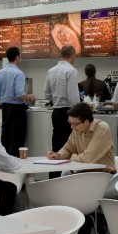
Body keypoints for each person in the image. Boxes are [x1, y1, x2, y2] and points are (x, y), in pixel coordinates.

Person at [47, 102, 116, 234]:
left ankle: (85, 221)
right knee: (64, 188)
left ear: (86, 122)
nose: (72, 127)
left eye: (74, 124)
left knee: (72, 190)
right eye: (70, 123)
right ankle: (84, 220)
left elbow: (88, 158)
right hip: (84, 173)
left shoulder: (102, 128)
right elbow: (68, 148)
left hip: (103, 174)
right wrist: (58, 155)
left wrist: (71, 157)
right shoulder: (77, 129)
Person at [44, 44, 80, 177]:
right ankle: (65, 178)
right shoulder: (71, 71)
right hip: (68, 113)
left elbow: (47, 94)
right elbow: (73, 98)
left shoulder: (51, 71)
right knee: (68, 147)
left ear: (61, 55)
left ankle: (54, 177)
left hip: (56, 112)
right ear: (72, 55)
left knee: (56, 145)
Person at [0, 46, 35, 157]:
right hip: (17, 110)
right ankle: (15, 163)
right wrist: (30, 97)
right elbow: (20, 95)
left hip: (5, 109)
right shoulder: (18, 73)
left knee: (6, 137)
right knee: (17, 139)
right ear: (17, 57)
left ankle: (5, 162)